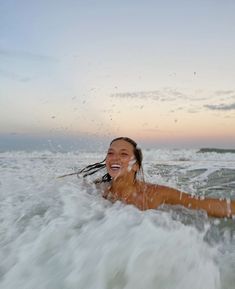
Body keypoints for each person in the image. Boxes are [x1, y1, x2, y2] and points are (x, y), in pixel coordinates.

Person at [64, 137, 235, 218]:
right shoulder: (96, 189)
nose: (114, 158)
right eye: (110, 153)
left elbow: (200, 203)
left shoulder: (155, 194)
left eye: (123, 154)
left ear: (136, 165)